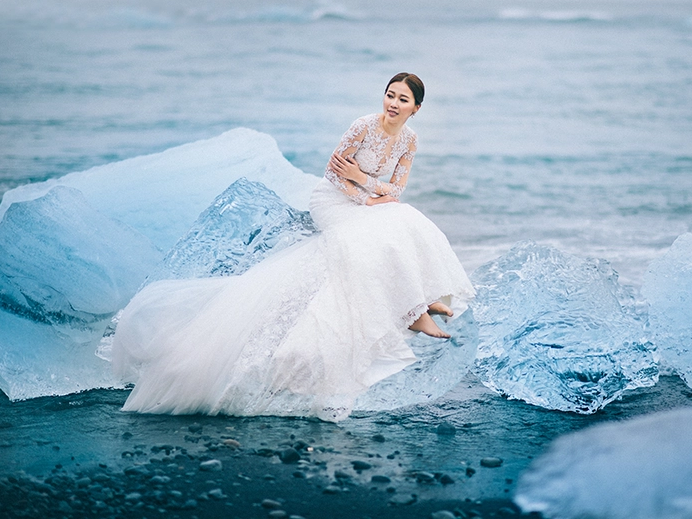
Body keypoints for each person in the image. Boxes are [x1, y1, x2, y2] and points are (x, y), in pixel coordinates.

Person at [111, 73, 475, 421]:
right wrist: (366, 199)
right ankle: (413, 314)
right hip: (333, 201)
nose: (393, 103)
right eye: (390, 95)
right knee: (369, 236)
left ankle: (421, 300)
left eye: (403, 99)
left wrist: (364, 184)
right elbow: (334, 174)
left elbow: (396, 190)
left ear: (416, 108)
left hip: (362, 198)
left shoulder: (410, 140)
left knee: (405, 218)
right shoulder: (363, 125)